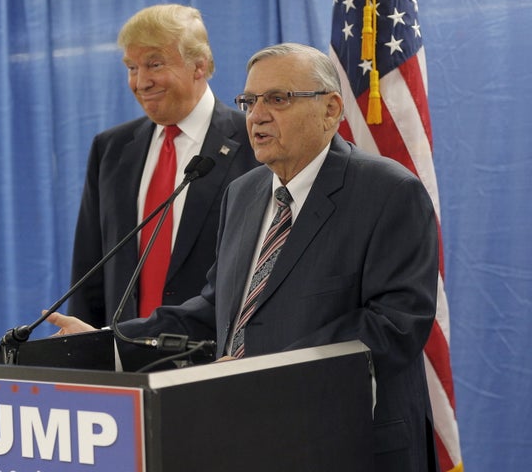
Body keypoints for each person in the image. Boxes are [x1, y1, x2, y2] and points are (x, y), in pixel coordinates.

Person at [49, 43, 440, 471]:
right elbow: (218, 308)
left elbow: (394, 325)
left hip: (347, 444)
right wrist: (109, 341)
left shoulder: (388, 192)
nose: (256, 115)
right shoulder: (245, 192)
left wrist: (257, 372)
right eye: (249, 101)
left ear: (331, 109)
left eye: (278, 99)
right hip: (250, 439)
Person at [66, 4, 258, 327]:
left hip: (216, 361)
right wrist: (82, 353)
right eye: (131, 67)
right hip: (123, 357)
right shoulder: (110, 149)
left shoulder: (253, 142)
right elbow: (90, 272)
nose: (141, 82)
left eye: (154, 64)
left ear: (200, 65)